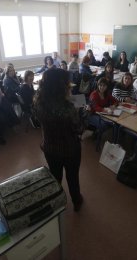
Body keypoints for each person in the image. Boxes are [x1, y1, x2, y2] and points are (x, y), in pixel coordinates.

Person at [33, 68, 84, 212]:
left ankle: (56, 202)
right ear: (62, 85)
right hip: (70, 149)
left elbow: (38, 121)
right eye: (67, 82)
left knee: (55, 176)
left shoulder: (39, 102)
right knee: (72, 177)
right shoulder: (68, 107)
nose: (69, 85)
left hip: (50, 147)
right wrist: (80, 112)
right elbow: (79, 128)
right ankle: (76, 201)